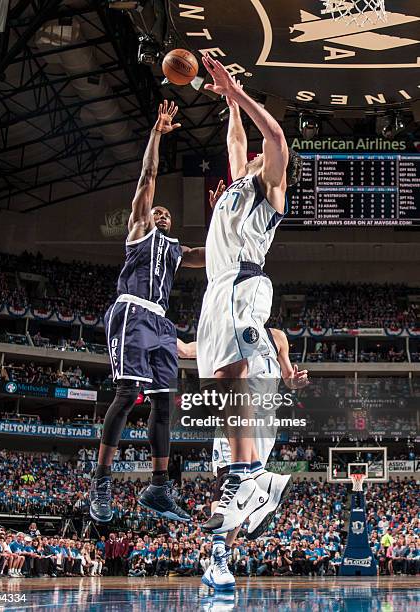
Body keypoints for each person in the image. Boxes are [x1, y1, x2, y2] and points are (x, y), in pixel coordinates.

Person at [195, 54, 304, 541]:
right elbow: (236, 141)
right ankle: (248, 475)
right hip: (218, 286)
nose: (253, 154)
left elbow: (276, 138)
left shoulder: (270, 186)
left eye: (260, 156)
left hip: (244, 281)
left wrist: (239, 93)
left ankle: (247, 477)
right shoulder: (240, 181)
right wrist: (228, 105)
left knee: (235, 374)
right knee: (222, 382)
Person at [89, 101, 206, 523]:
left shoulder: (177, 251)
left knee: (163, 403)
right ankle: (100, 485)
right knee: (125, 395)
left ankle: (158, 487)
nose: (161, 213)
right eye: (158, 210)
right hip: (131, 312)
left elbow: (215, 254)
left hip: (160, 321)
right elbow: (148, 176)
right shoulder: (140, 230)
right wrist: (157, 133)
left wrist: (229, 218)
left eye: (167, 214)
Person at [179, 327, 307, 590]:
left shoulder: (277, 337)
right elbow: (187, 350)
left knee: (243, 494)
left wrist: (295, 381)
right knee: (228, 481)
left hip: (266, 422)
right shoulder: (227, 331)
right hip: (237, 415)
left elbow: (288, 377)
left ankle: (220, 558)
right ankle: (218, 558)